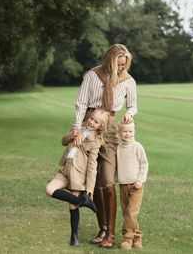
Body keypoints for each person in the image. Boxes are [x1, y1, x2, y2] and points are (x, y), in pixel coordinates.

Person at [73, 44, 137, 248]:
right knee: (91, 181)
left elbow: (132, 105)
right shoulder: (92, 75)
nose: (121, 69)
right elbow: (81, 102)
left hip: (109, 129)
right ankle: (102, 231)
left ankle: (110, 234)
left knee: (108, 181)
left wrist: (130, 113)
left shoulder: (128, 81)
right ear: (110, 60)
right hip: (90, 126)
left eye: (124, 65)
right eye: (118, 64)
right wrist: (77, 128)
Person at [45, 109, 110, 246]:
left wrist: (89, 189)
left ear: (100, 126)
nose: (91, 122)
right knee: (49, 189)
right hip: (65, 170)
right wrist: (73, 134)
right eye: (91, 118)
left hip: (78, 174)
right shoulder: (78, 127)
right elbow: (63, 141)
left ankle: (74, 237)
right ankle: (83, 201)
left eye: (96, 121)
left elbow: (92, 167)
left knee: (72, 205)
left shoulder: (95, 142)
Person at [117, 121, 148, 249]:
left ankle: (127, 238)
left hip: (136, 186)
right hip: (123, 185)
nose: (127, 134)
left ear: (134, 132)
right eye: (124, 131)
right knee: (127, 213)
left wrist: (140, 180)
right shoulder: (118, 148)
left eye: (130, 131)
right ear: (119, 132)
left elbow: (144, 164)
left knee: (131, 212)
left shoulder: (137, 147)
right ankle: (137, 237)